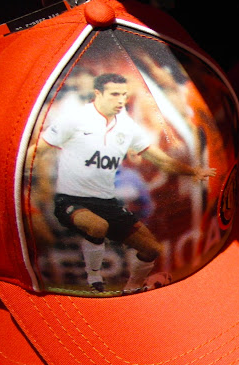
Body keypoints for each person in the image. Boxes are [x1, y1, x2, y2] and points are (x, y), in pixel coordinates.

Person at [30, 72, 216, 294]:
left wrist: (192, 171)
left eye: (124, 95)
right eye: (114, 94)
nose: (120, 100)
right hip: (72, 199)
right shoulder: (73, 120)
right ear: (98, 94)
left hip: (107, 202)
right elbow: (38, 150)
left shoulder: (127, 127)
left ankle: (132, 288)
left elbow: (162, 160)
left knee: (151, 249)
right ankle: (94, 278)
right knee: (98, 226)